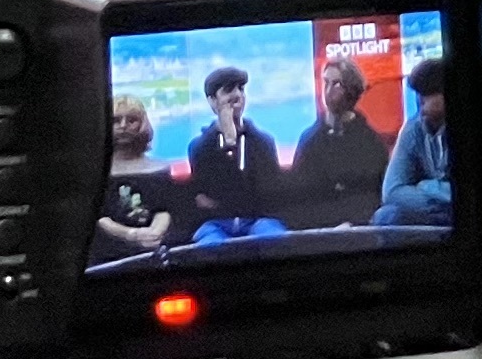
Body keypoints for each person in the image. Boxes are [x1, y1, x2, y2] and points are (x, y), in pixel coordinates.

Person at [282, 54, 395, 228]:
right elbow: (299, 197)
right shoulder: (310, 140)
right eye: (326, 82)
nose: (328, 90)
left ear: (351, 91)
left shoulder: (371, 142)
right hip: (317, 230)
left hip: (359, 229)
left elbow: (374, 195)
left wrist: (352, 223)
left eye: (336, 84)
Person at [182, 63, 284, 228]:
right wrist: (229, 142)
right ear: (212, 101)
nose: (237, 95)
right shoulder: (199, 147)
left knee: (271, 235)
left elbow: (269, 193)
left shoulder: (263, 142)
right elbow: (204, 197)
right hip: (216, 224)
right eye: (229, 90)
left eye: (241, 89)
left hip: (258, 221)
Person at [92, 95, 178, 262]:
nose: (123, 126)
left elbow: (165, 208)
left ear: (142, 123)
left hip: (155, 250)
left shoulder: (160, 169)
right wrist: (131, 235)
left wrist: (155, 233)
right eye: (116, 120)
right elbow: (99, 215)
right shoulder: (95, 172)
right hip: (107, 255)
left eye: (131, 120)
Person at [374, 57, 453, 230]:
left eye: (429, 93)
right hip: (433, 210)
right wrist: (438, 194)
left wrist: (427, 186)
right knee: (386, 216)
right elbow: (392, 191)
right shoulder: (413, 129)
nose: (420, 100)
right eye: (419, 93)